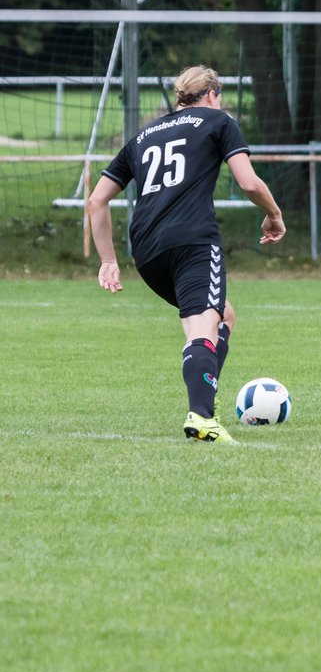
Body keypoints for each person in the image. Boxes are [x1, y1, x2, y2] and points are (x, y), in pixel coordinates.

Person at [87, 65, 285, 445]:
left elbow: (97, 201)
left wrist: (108, 260)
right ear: (212, 93)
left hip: (146, 250)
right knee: (201, 328)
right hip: (192, 242)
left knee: (222, 315)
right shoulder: (218, 120)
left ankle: (204, 399)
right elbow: (248, 181)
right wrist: (274, 215)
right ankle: (201, 416)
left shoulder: (143, 136)